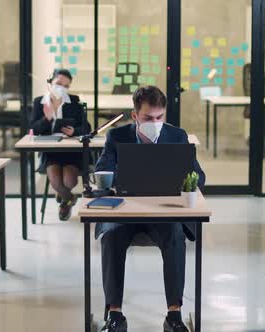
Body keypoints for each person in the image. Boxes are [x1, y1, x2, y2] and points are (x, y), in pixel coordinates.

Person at [94, 86, 205, 332]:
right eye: (147, 118)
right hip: (125, 212)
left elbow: (200, 176)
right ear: (134, 116)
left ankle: (174, 315)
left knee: (175, 235)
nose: (155, 123)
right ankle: (115, 316)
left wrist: (185, 182)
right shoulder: (117, 136)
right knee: (111, 236)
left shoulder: (176, 136)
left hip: (164, 212)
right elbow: (101, 170)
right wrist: (113, 180)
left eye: (159, 117)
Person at [31, 69, 91, 221]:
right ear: (50, 83)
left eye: (66, 86)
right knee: (57, 181)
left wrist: (74, 131)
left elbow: (87, 128)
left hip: (72, 151)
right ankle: (68, 199)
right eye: (58, 84)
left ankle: (64, 196)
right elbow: (33, 129)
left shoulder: (74, 101)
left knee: (69, 180)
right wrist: (48, 115)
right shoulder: (39, 102)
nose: (61, 88)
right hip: (50, 151)